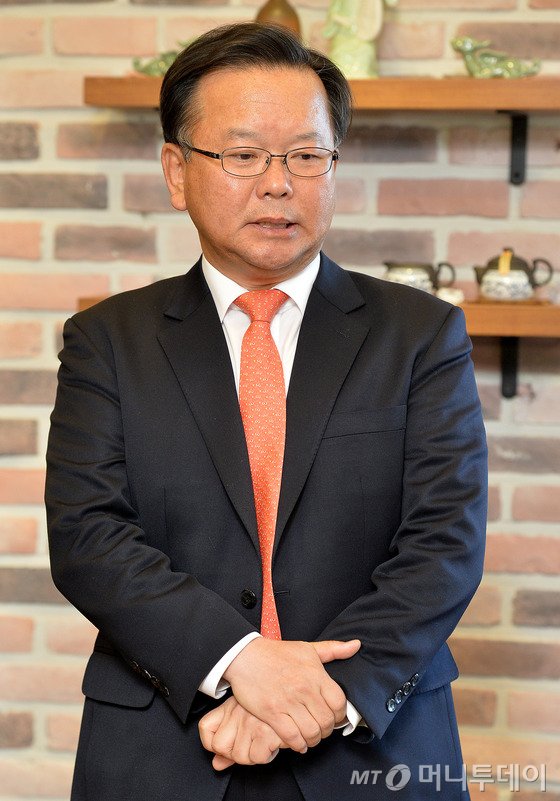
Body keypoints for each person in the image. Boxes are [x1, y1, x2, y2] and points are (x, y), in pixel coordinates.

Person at [45, 22, 487, 801]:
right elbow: (89, 535)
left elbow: (444, 542)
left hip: (372, 749)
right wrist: (240, 659)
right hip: (163, 748)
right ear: (177, 171)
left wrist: (321, 697)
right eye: (244, 155)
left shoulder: (420, 335)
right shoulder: (107, 341)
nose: (278, 184)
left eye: (307, 156)